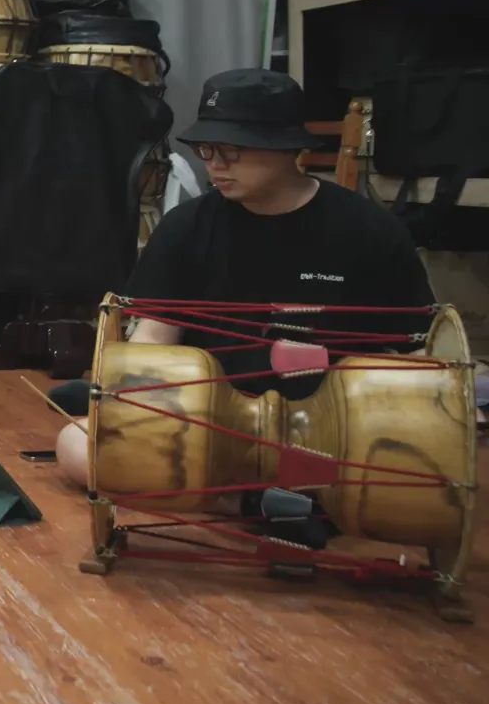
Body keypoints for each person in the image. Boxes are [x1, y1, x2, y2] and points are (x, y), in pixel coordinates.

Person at [52, 69, 433, 491]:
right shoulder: (186, 226)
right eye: (206, 149)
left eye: (231, 149)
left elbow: (416, 354)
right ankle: (254, 492)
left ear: (287, 146)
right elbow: (153, 339)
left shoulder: (370, 231)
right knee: (75, 442)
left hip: (328, 431)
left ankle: (243, 490)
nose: (215, 163)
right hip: (209, 426)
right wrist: (129, 407)